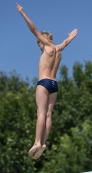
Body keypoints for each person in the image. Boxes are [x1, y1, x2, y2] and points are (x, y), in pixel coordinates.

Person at [16, 3, 78, 159]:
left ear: (42, 41)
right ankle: (43, 143)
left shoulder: (48, 47)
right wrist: (71, 36)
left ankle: (37, 142)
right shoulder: (59, 50)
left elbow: (34, 30)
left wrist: (23, 13)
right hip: (54, 85)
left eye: (39, 43)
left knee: (41, 113)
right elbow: (65, 42)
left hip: (43, 83)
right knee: (49, 114)